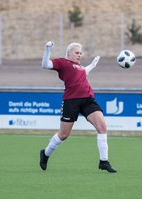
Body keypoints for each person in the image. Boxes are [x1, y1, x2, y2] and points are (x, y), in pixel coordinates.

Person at [39, 41, 116, 173]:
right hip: (71, 101)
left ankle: (104, 161)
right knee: (63, 135)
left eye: (81, 53)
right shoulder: (62, 62)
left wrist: (91, 66)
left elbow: (82, 73)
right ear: (69, 53)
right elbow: (45, 64)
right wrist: (48, 49)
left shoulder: (80, 67)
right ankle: (45, 154)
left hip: (88, 100)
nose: (79, 55)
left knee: (102, 127)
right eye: (77, 52)